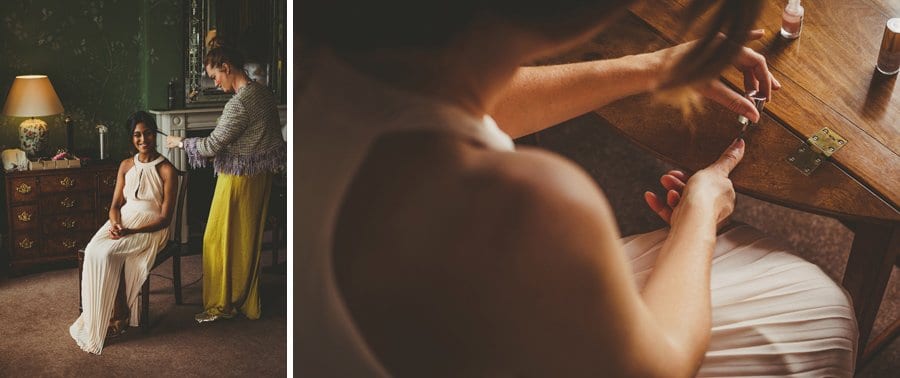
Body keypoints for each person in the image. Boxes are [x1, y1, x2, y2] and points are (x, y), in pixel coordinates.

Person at [298, 0, 859, 376]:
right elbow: (661, 367)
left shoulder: (323, 67)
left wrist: (652, 66)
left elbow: (478, 98)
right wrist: (701, 215)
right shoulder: (533, 202)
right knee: (822, 311)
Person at [166, 45, 286, 323]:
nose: (216, 84)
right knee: (246, 239)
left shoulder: (240, 103)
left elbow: (210, 146)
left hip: (238, 179)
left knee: (216, 239)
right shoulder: (264, 93)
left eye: (215, 77)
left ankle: (223, 303)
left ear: (227, 67)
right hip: (260, 177)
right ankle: (245, 299)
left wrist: (180, 141)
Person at [70, 111, 178, 354]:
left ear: (155, 133)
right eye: (137, 135)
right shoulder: (125, 165)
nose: (143, 139)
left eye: (148, 133)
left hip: (152, 227)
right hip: (125, 219)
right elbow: (115, 206)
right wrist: (116, 224)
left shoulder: (167, 170)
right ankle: (100, 314)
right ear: (132, 138)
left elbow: (165, 218)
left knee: (108, 254)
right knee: (93, 251)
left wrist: (131, 230)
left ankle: (117, 316)